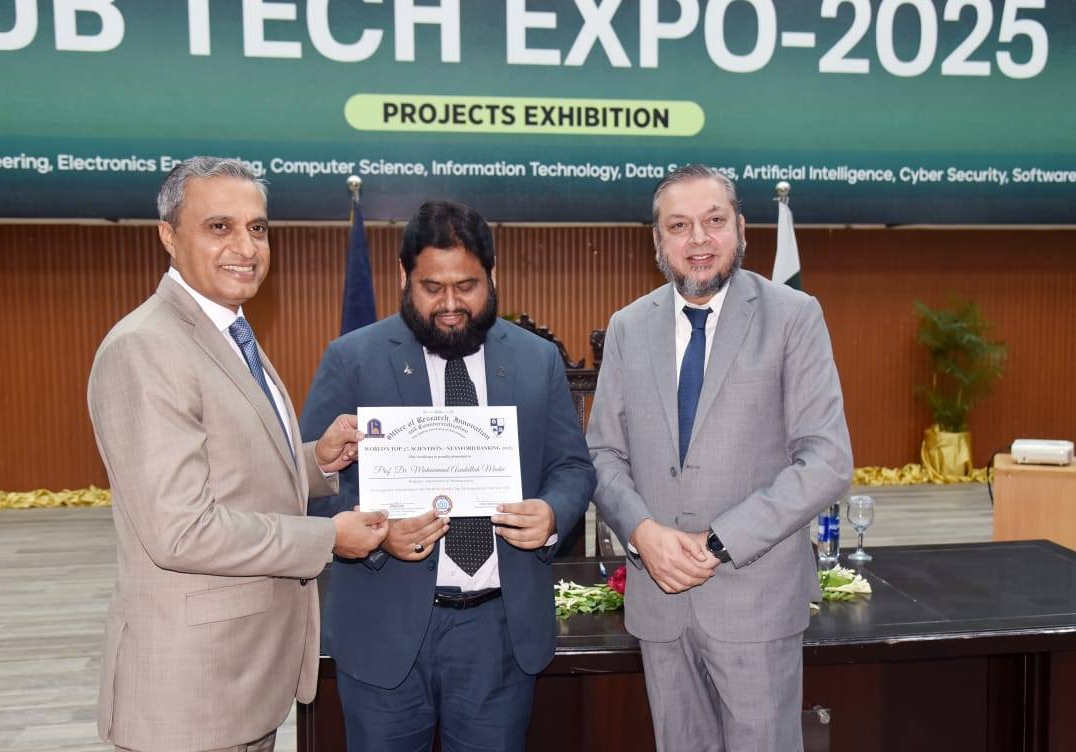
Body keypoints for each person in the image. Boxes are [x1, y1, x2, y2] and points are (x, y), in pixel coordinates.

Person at [87, 157, 388, 752]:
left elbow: (232, 471)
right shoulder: (147, 347)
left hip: (239, 677)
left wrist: (318, 461)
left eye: (257, 228)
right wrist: (328, 538)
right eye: (219, 227)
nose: (246, 247)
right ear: (168, 235)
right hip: (190, 693)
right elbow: (181, 530)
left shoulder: (227, 332)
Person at [300, 200, 595, 752]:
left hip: (498, 633)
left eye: (467, 286)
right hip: (385, 629)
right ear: (404, 276)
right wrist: (376, 533)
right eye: (432, 287)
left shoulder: (537, 360)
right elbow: (314, 484)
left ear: (492, 274)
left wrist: (552, 512)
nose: (451, 305)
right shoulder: (353, 359)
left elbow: (571, 466)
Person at [586, 164, 853, 751]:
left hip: (756, 601)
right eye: (679, 226)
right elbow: (602, 453)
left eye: (714, 221)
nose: (699, 239)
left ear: (741, 228)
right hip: (659, 601)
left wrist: (718, 542)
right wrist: (643, 533)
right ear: (658, 241)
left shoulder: (793, 316)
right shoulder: (628, 327)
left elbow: (827, 459)